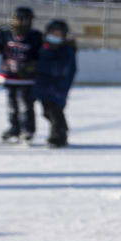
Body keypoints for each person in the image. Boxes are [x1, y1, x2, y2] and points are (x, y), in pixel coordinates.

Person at [0, 6, 44, 143]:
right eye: (18, 19)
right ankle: (14, 127)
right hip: (9, 77)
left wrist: (33, 66)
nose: (21, 22)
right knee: (12, 105)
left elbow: (41, 55)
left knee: (26, 105)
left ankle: (28, 129)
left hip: (27, 79)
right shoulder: (5, 33)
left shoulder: (35, 36)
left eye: (24, 20)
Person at [35, 19, 78, 148]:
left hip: (58, 87)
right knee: (47, 111)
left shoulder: (67, 50)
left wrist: (37, 66)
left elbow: (61, 69)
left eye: (58, 34)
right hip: (44, 87)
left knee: (54, 111)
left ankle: (58, 135)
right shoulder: (43, 48)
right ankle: (61, 130)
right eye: (53, 33)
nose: (55, 37)